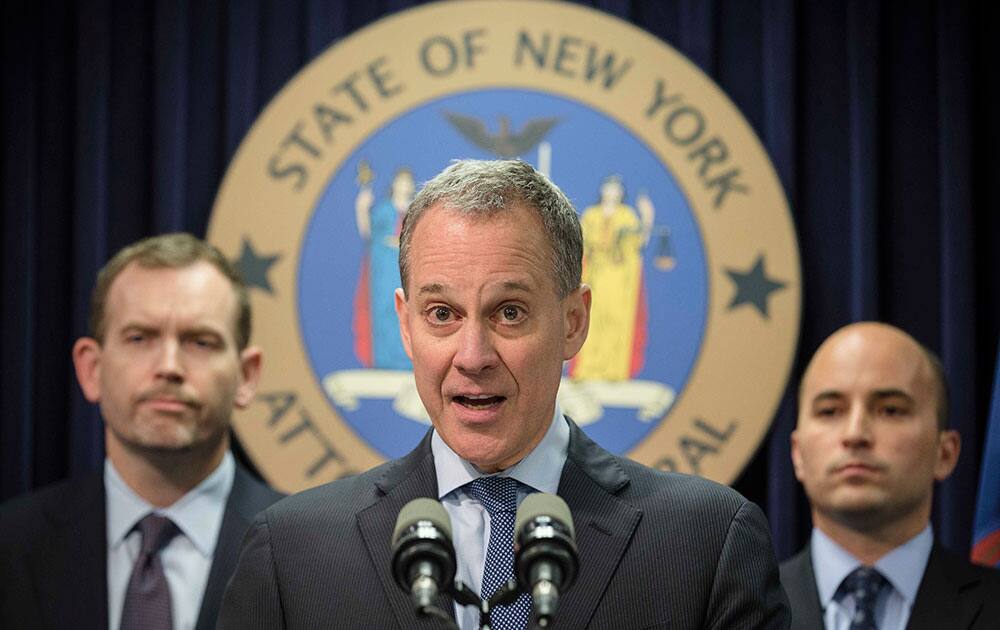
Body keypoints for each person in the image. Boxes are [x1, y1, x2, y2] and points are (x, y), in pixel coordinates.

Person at [219, 160, 788, 629]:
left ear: (574, 322)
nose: (473, 355)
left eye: (509, 312)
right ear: (406, 326)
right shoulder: (292, 554)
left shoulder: (708, 543)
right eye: (442, 314)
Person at [0, 233, 283, 630]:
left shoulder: (306, 551)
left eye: (200, 341)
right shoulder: (10, 546)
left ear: (247, 376)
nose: (169, 366)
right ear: (91, 369)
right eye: (139, 338)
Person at [781, 322, 1000, 629]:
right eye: (830, 411)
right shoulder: (737, 614)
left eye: (891, 410)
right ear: (797, 453)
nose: (856, 434)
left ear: (945, 453)